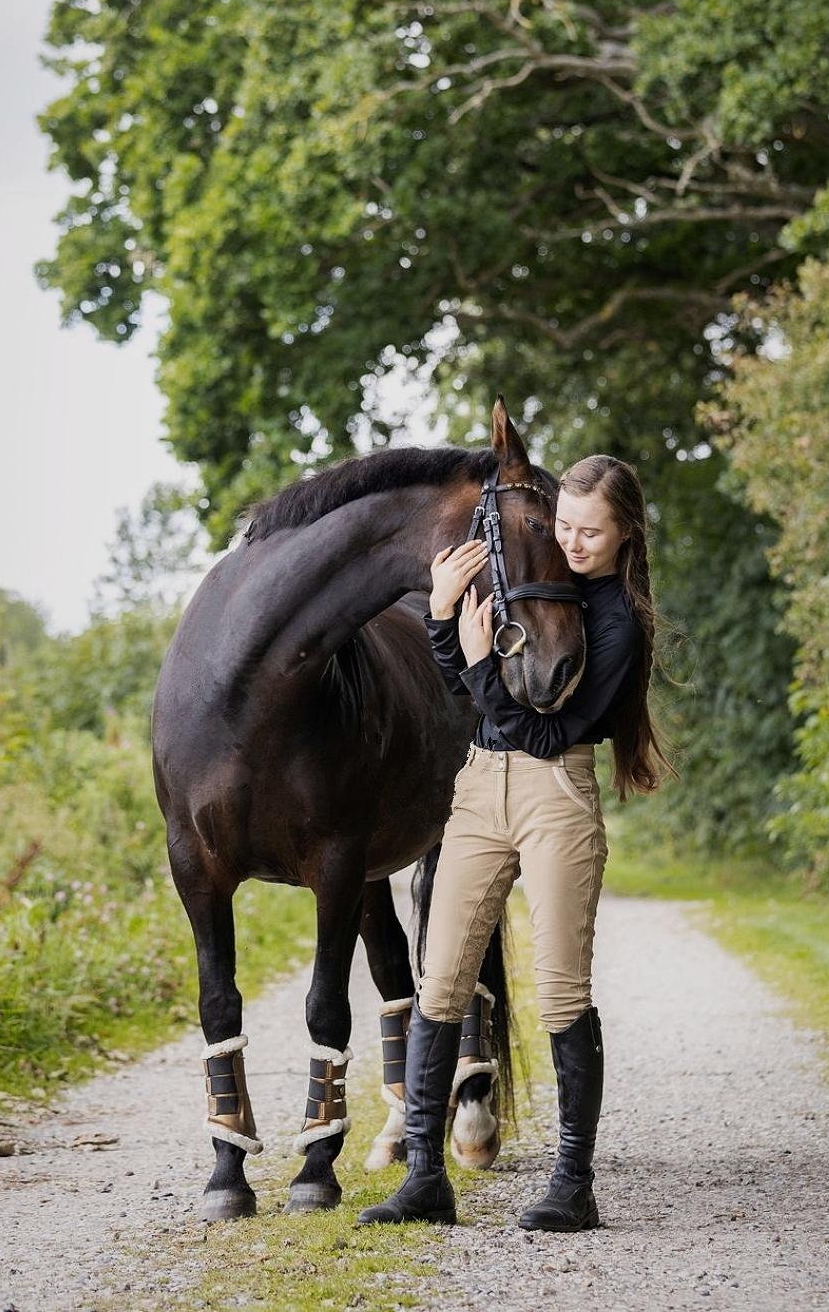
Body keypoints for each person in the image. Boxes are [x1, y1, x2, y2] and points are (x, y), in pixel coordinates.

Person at [357, 453, 674, 1231]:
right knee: (440, 982)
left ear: (626, 531)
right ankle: (427, 1177)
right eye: (564, 523)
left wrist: (473, 661)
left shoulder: (616, 620)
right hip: (477, 787)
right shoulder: (543, 574)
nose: (572, 541)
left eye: (590, 530)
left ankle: (574, 1182)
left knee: (562, 988)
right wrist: (440, 615)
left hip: (555, 792)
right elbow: (465, 689)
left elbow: (543, 728)